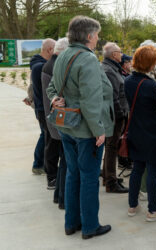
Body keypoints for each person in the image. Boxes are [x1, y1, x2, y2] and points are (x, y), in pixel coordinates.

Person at [47, 15, 113, 239]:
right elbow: (90, 100)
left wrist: (55, 98)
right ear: (88, 36)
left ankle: (71, 223)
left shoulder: (63, 54)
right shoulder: (87, 59)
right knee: (89, 178)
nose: (97, 38)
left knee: (73, 174)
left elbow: (52, 88)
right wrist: (99, 130)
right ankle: (90, 226)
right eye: (96, 34)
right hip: (86, 130)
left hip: (67, 126)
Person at [125, 45, 156, 222]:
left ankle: (132, 205)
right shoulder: (150, 85)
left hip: (135, 129)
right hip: (151, 131)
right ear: (150, 64)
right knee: (153, 170)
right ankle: (153, 209)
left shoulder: (128, 80)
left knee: (137, 168)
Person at [41, 37, 69, 209]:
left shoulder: (51, 64)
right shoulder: (56, 66)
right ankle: (61, 197)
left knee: (64, 160)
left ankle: (59, 196)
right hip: (59, 118)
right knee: (66, 161)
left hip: (55, 117)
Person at [101, 42, 129, 193]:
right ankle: (111, 182)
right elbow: (113, 97)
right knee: (112, 147)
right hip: (114, 116)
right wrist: (121, 115)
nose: (122, 54)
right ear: (113, 55)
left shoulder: (111, 68)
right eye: (120, 52)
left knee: (111, 146)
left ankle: (108, 176)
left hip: (115, 114)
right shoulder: (109, 70)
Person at [31, 38, 56, 182]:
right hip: (43, 109)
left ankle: (39, 164)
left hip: (41, 108)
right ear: (49, 50)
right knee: (48, 138)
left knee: (45, 136)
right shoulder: (41, 67)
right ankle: (40, 165)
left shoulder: (37, 64)